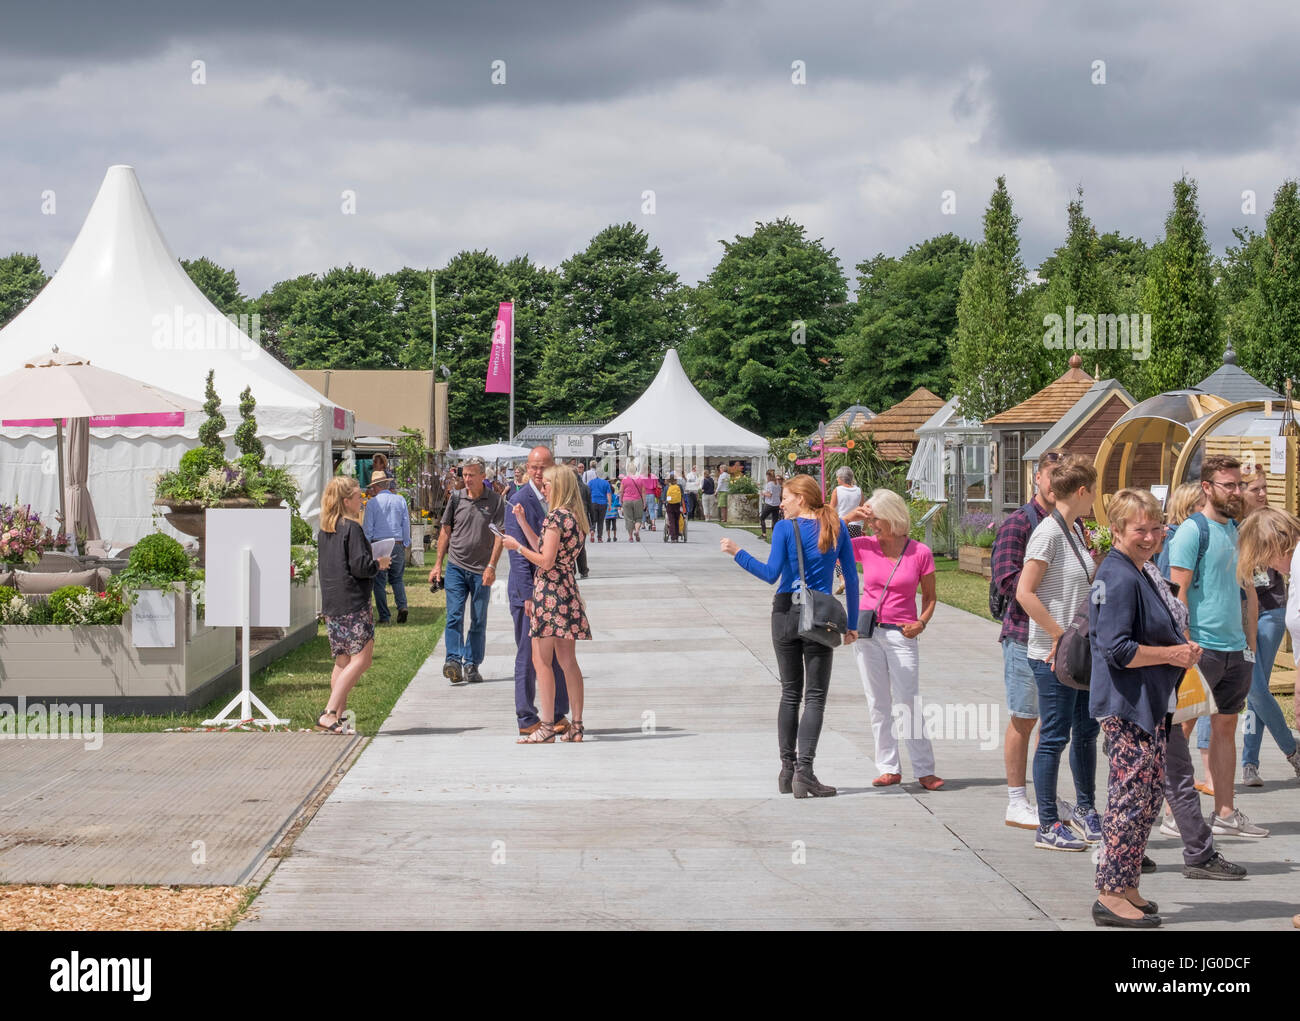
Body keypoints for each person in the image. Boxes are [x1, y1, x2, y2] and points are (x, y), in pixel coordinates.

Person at [1088, 489, 1200, 928]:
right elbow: (1116, 649)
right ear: (1116, 531)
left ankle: (1127, 883)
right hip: (1128, 705)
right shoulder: (1117, 576)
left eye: (1157, 528)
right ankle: (1110, 893)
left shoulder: (1138, 569)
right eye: (1140, 529)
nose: (1151, 536)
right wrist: (1171, 655)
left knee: (1148, 796)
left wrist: (1176, 649)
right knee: (1128, 801)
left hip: (1149, 704)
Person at [722, 474, 859, 797]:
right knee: (814, 697)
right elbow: (851, 579)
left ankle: (786, 770)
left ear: (801, 497)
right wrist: (852, 624)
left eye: (785, 497)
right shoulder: (835, 526)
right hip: (819, 617)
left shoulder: (786, 528)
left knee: (790, 693)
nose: (780, 503)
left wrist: (737, 552)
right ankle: (805, 772)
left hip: (784, 614)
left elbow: (771, 575)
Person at [1165, 454, 1266, 837]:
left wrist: (1251, 646)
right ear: (1207, 487)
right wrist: (1186, 644)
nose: (1237, 491)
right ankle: (1175, 813)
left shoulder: (1239, 530)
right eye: (1230, 485)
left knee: (1226, 730)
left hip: (1235, 651)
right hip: (1200, 649)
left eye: (1240, 484)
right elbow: (1178, 593)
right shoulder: (1193, 531)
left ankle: (1225, 813)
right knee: (1181, 730)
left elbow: (1249, 591)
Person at [1015, 455, 1101, 852]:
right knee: (1053, 736)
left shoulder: (1077, 530)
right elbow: (1024, 592)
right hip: (1052, 654)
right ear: (1081, 492)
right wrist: (1058, 634)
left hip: (1079, 652)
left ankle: (1086, 808)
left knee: (1085, 731)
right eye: (1094, 491)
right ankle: (1047, 823)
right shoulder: (1048, 532)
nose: (1095, 498)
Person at [845, 489, 943, 790]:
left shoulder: (920, 552)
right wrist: (851, 517)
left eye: (876, 519)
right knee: (878, 702)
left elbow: (929, 597)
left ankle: (925, 769)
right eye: (870, 519)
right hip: (868, 633)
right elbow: (830, 542)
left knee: (907, 701)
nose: (872, 524)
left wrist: (921, 622)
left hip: (902, 634)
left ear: (892, 517)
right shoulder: (865, 546)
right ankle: (888, 767)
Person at [989, 451, 1061, 829]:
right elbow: (1006, 579)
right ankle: (1016, 800)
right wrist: (1045, 587)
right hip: (1022, 635)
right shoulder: (1019, 523)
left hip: (1058, 639)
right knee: (1023, 718)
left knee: (1051, 721)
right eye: (1052, 476)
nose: (1056, 483)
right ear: (1037, 478)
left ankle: (1045, 794)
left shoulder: (1072, 523)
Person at [502, 465, 592, 743]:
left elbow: (545, 560)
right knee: (568, 662)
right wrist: (524, 525)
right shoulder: (575, 517)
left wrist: (516, 547)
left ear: (560, 486)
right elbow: (546, 547)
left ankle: (547, 726)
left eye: (548, 483)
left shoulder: (555, 517)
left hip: (549, 594)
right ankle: (576, 725)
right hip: (567, 590)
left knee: (541, 661)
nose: (543, 487)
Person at [506, 446, 572, 736]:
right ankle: (526, 717)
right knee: (528, 654)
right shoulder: (519, 499)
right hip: (530, 592)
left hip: (556, 592)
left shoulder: (560, 498)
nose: (537, 472)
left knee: (557, 655)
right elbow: (517, 556)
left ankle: (557, 712)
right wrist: (528, 595)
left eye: (542, 466)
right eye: (532, 467)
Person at [317, 476, 390, 734]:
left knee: (342, 661)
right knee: (362, 659)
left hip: (333, 602)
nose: (362, 501)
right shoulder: (351, 528)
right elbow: (361, 567)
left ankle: (338, 717)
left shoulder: (327, 528)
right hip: (353, 601)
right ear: (346, 500)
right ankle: (328, 712)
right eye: (359, 496)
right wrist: (378, 563)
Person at [1235, 504, 1300, 782]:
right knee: (1255, 690)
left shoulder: (1295, 561)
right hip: (1244, 618)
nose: (1271, 566)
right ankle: (1278, 753)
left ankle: (1285, 753)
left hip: (1269, 613)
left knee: (1256, 690)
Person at [429, 456, 504, 686]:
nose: (467, 479)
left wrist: (492, 566)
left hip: (482, 570)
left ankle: (472, 664)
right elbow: (445, 531)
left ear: (483, 476)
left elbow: (499, 536)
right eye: (465, 475)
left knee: (478, 618)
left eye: (472, 475)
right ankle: (453, 661)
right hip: (456, 567)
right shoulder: (456, 498)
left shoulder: (495, 501)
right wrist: (437, 564)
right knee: (454, 615)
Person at [362, 468, 410, 625]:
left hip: (379, 543)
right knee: (397, 578)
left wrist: (366, 545)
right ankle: (402, 606)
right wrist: (406, 542)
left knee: (379, 582)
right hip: (397, 542)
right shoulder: (400, 500)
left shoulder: (372, 503)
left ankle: (384, 615)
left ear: (375, 487)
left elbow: (368, 528)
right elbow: (405, 523)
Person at [832, 466, 864, 595]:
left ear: (840, 478)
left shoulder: (838, 490)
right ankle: (851, 580)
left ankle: (842, 580)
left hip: (842, 524)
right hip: (856, 526)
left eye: (837, 478)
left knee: (837, 553)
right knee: (852, 555)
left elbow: (831, 507)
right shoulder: (858, 491)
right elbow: (862, 508)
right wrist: (864, 527)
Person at [570, 461, 591, 579]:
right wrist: (593, 521)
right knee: (581, 545)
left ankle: (572, 570)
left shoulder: (567, 487)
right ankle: (584, 570)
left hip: (570, 518)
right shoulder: (585, 487)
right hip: (583, 519)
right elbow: (591, 505)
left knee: (570, 545)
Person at [620, 470, 647, 542]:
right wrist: (644, 503)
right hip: (638, 500)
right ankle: (637, 530)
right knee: (638, 518)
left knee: (629, 519)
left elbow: (621, 491)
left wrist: (620, 500)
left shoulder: (624, 479)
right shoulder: (640, 479)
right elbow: (643, 492)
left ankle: (630, 537)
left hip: (626, 500)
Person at [588, 472, 612, 542]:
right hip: (603, 503)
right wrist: (610, 504)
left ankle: (592, 530)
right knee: (600, 521)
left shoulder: (591, 482)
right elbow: (608, 494)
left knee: (593, 520)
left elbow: (588, 493)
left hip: (593, 502)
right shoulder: (606, 483)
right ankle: (599, 538)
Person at [759, 470, 782, 538]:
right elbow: (780, 494)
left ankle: (764, 534)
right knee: (774, 520)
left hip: (770, 504)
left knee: (762, 518)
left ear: (768, 476)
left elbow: (769, 495)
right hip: (777, 504)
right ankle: (775, 535)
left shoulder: (769, 484)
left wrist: (763, 493)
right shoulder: (777, 484)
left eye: (767, 476)